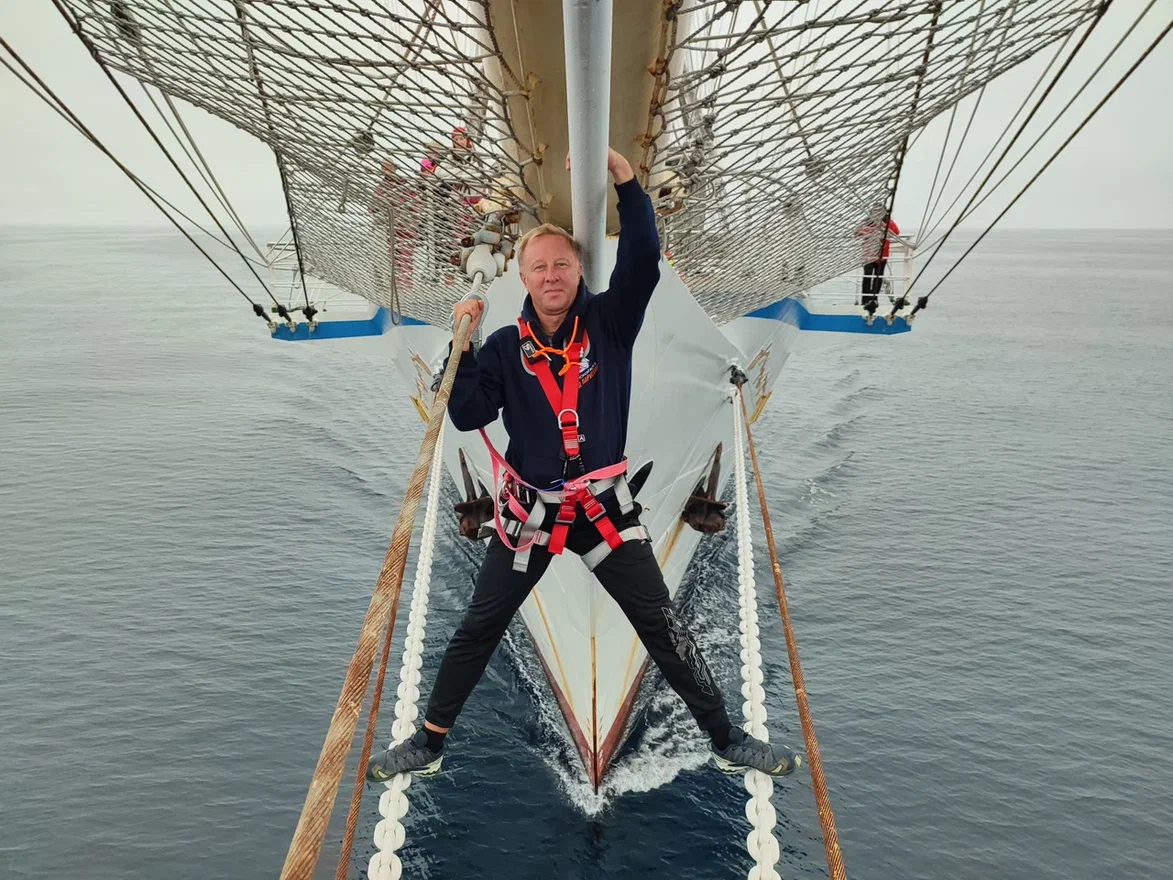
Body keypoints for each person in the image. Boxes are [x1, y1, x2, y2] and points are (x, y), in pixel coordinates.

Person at [367, 147, 801, 782]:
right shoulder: (502, 348)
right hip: (532, 514)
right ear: (524, 275)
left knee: (663, 627)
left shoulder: (609, 323)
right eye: (539, 266)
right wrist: (462, 347)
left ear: (577, 273)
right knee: (479, 627)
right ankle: (429, 742)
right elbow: (465, 416)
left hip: (602, 510)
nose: (551, 276)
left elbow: (643, 265)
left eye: (562, 265)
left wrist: (627, 185)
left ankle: (726, 739)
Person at [856, 205, 900, 313]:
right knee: (867, 276)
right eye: (874, 211)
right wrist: (871, 232)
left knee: (878, 277)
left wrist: (883, 227)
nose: (876, 213)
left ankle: (874, 299)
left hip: (882, 255)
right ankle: (865, 299)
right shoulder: (866, 222)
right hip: (868, 254)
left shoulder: (888, 222)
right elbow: (857, 232)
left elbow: (896, 232)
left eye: (879, 211)